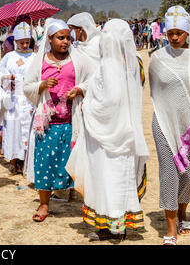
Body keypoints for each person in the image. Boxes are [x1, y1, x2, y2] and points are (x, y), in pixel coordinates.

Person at [66, 19, 149, 241]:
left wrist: (88, 106)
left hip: (105, 133)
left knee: (105, 177)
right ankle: (118, 226)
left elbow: (110, 100)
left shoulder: (109, 66)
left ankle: (108, 225)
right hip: (125, 133)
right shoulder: (132, 65)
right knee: (120, 179)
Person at [23, 19, 93, 222]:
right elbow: (27, 86)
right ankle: (44, 204)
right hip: (48, 122)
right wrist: (42, 85)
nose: (65, 42)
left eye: (68, 38)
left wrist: (79, 89)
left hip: (73, 121)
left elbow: (93, 79)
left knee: (76, 162)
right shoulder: (41, 61)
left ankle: (85, 203)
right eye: (60, 38)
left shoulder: (78, 59)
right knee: (44, 163)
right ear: (50, 39)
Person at [149, 6, 190, 245]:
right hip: (164, 122)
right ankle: (170, 225)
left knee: (189, 175)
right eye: (171, 33)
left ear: (188, 32)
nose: (175, 37)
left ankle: (183, 210)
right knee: (169, 173)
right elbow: (155, 93)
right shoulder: (157, 59)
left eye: (180, 32)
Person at [0, 22, 35, 175]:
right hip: (14, 99)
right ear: (16, 42)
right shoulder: (9, 57)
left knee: (28, 131)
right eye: (22, 42)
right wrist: (8, 80)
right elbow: (0, 75)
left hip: (29, 100)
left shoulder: (35, 57)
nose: (25, 45)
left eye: (27, 42)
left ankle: (27, 163)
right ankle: (14, 163)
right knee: (13, 130)